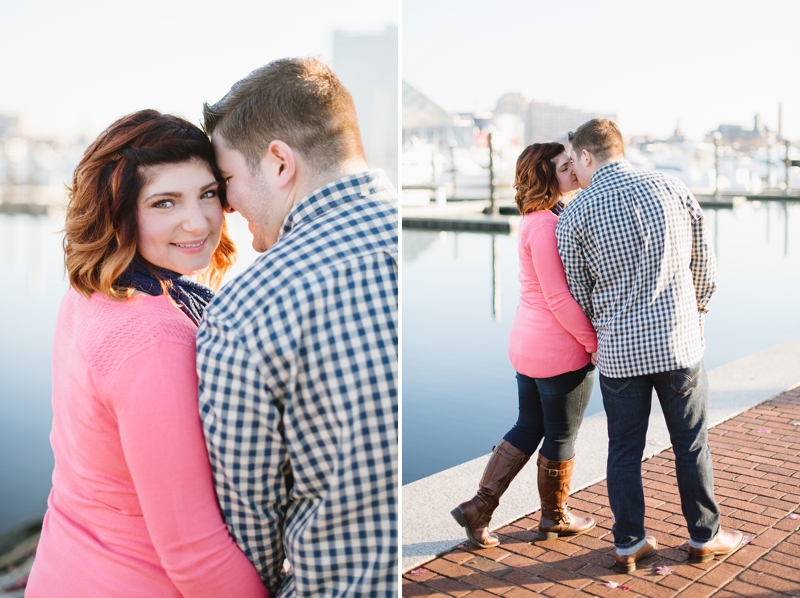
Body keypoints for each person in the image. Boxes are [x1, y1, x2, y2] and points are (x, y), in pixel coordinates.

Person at [26, 110, 268, 598]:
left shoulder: (96, 290)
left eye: (207, 194)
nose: (197, 220)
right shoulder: (151, 338)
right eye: (164, 202)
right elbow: (194, 552)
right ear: (118, 211)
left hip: (66, 567)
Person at [196, 57, 398, 597]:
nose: (229, 206)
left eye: (228, 180)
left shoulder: (247, 308)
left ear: (280, 163)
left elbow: (247, 533)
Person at [556, 118, 744, 572]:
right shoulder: (671, 187)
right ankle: (704, 536)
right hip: (679, 345)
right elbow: (705, 264)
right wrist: (697, 313)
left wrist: (603, 331)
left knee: (623, 448)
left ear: (585, 156)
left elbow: (578, 292)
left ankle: (629, 543)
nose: (574, 174)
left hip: (620, 354)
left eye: (574, 162)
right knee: (691, 444)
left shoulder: (575, 215)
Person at [450, 142, 598, 549]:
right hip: (558, 347)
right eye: (566, 167)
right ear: (548, 175)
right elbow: (557, 298)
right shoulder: (546, 225)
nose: (573, 171)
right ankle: (554, 517)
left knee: (529, 425)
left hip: (528, 343)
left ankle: (479, 508)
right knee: (561, 436)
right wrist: (593, 343)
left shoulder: (537, 218)